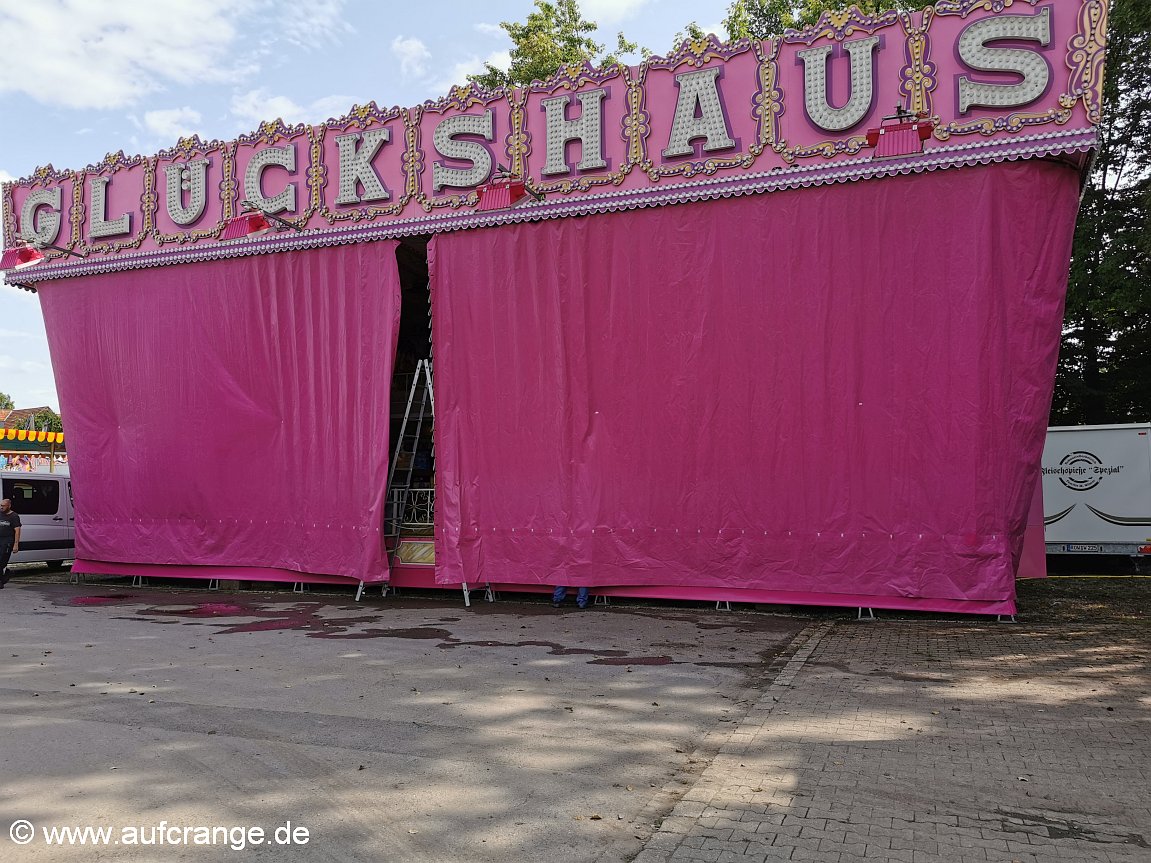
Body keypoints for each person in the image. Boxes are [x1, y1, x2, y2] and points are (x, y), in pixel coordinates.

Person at [0, 498, 21, 588]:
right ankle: (4, 577)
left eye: (3, 506)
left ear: (9, 506)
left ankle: (4, 577)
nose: (1, 507)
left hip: (7, 541)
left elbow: (17, 530)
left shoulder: (14, 516)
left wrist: (16, 544)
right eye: (0, 505)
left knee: (2, 561)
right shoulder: (0, 513)